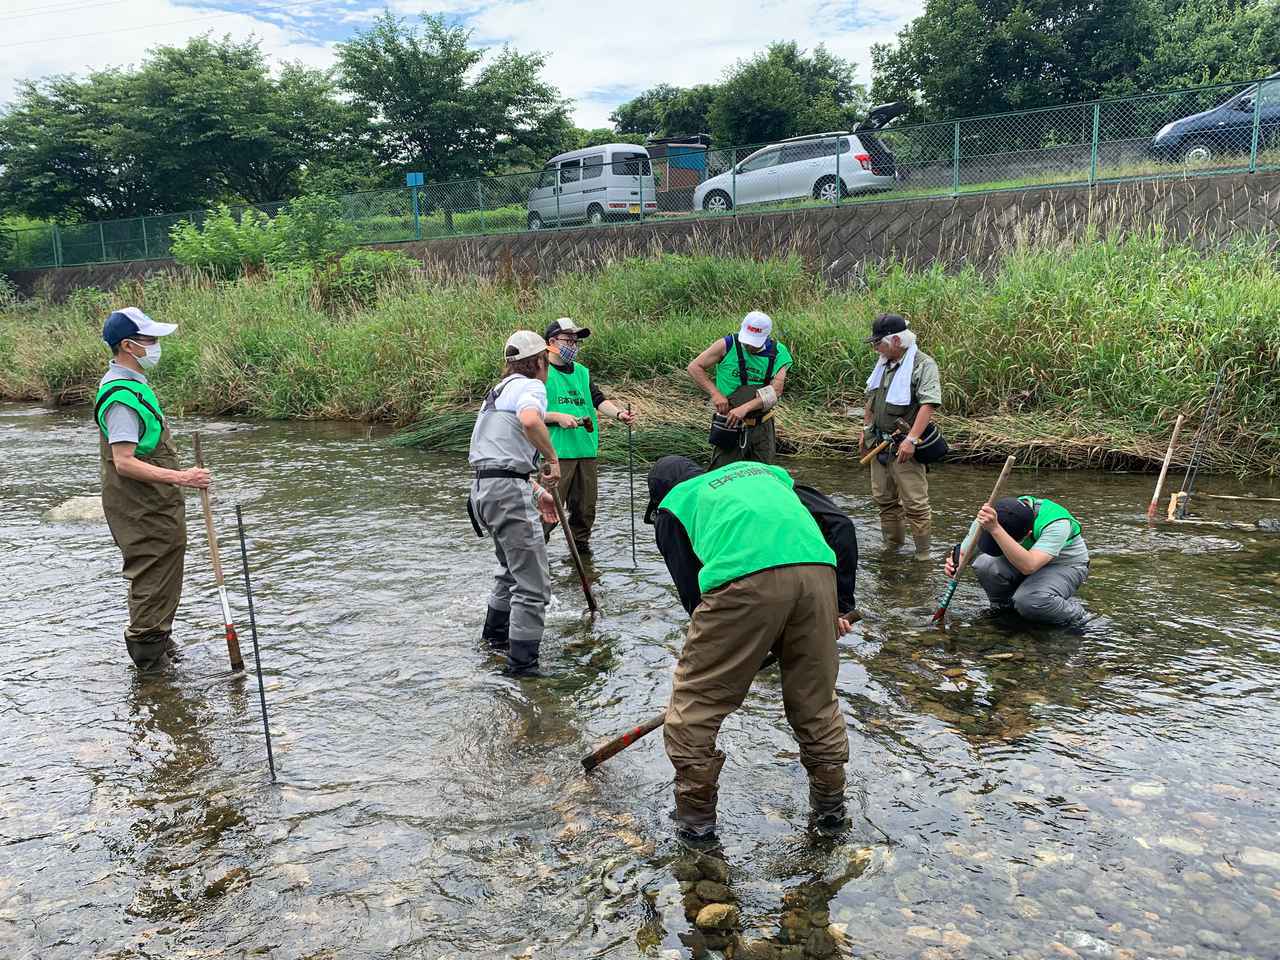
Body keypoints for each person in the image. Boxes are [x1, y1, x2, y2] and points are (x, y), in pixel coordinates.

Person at [644, 455, 859, 845]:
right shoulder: (767, 475)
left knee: (694, 707)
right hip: (817, 574)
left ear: (659, 498)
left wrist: (740, 653)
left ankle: (696, 828)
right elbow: (841, 525)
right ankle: (830, 813)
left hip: (742, 580)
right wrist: (841, 604)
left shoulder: (674, 505)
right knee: (815, 701)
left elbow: (695, 600)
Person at [96, 307, 210, 671]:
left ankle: (159, 637)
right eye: (150, 340)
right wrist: (182, 478)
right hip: (140, 505)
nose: (157, 345)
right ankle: (148, 659)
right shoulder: (120, 398)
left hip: (154, 502)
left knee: (164, 566)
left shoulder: (134, 383)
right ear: (128, 346)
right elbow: (124, 461)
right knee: (152, 570)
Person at [468, 330, 578, 677]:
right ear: (540, 362)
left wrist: (535, 491)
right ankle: (523, 668)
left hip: (484, 489)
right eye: (546, 361)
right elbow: (531, 420)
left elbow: (499, 459)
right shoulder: (532, 386)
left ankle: (494, 641)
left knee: (509, 572)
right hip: (504, 491)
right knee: (534, 586)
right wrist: (553, 458)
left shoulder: (498, 391)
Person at [542, 318, 637, 556]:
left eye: (576, 341)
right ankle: (535, 552)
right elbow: (528, 414)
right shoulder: (541, 371)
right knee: (548, 510)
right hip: (557, 454)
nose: (573, 346)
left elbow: (597, 399)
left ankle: (581, 555)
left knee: (585, 510)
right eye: (568, 340)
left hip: (586, 450)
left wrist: (619, 414)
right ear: (552, 342)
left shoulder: (582, 372)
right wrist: (557, 417)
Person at [860, 313, 943, 561]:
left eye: (879, 343)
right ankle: (892, 549)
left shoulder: (922, 364)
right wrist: (865, 433)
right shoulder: (884, 364)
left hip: (903, 445)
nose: (875, 348)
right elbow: (870, 401)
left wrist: (912, 440)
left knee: (915, 505)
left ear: (896, 340)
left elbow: (929, 404)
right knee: (884, 501)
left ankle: (923, 555)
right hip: (879, 444)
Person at [946, 495, 1090, 628]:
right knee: (984, 564)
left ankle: (1077, 615)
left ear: (1028, 535)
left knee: (1029, 600)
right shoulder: (992, 515)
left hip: (1063, 565)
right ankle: (1004, 610)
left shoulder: (1056, 523)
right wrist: (955, 564)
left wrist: (995, 529)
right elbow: (965, 553)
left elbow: (1029, 566)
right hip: (1021, 559)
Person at [687, 311, 792, 469]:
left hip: (762, 426)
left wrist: (745, 408)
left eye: (753, 343)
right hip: (729, 424)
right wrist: (715, 394)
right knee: (723, 474)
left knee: (762, 476)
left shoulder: (778, 353)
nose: (748, 346)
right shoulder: (727, 345)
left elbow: (775, 391)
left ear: (766, 337)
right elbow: (694, 367)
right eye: (747, 341)